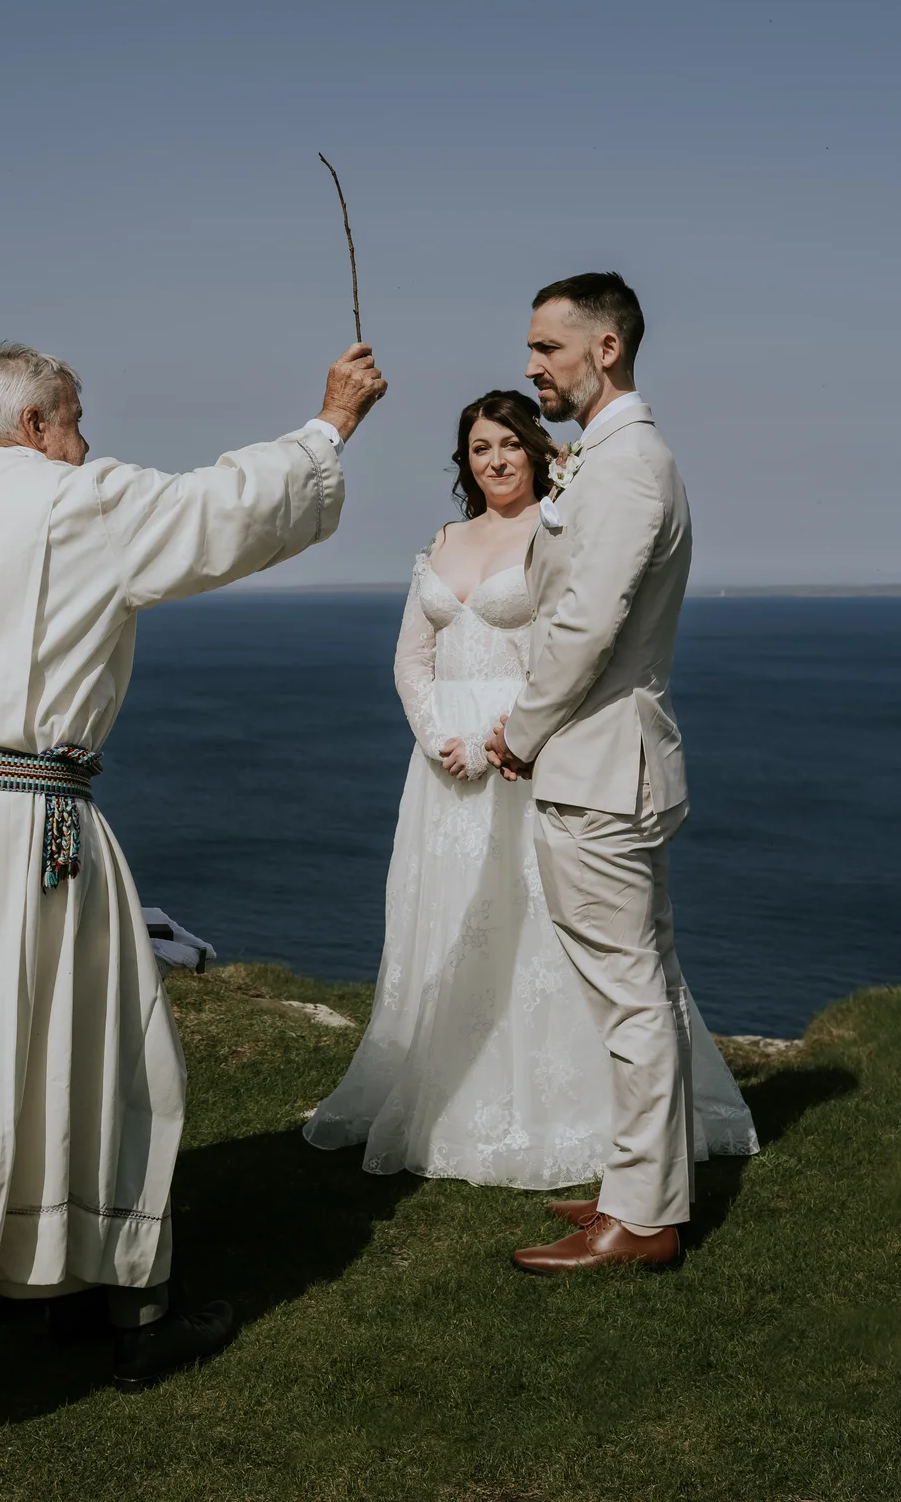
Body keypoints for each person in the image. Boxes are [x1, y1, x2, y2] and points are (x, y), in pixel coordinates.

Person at [0, 339, 387, 1422]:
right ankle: (133, 1317)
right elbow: (224, 510)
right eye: (76, 417)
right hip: (31, 823)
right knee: (97, 1057)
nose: (86, 439)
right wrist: (331, 423)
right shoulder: (73, 501)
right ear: (34, 425)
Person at [303, 392, 754, 1190]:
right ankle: (443, 1092)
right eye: (480, 449)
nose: (496, 461)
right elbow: (412, 659)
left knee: (542, 926)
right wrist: (436, 736)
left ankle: (577, 1114)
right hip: (442, 769)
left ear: (538, 451)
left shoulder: (558, 529)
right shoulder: (443, 541)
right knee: (448, 925)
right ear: (464, 462)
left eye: (510, 444)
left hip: (526, 754)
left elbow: (566, 656)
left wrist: (496, 740)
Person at [485, 272, 709, 1275]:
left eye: (546, 348)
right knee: (638, 987)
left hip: (596, 766)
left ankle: (646, 1221)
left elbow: (583, 627)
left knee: (629, 998)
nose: (531, 365)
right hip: (608, 762)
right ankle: (638, 1191)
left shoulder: (625, 467)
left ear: (605, 347)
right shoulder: (606, 461)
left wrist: (519, 733)